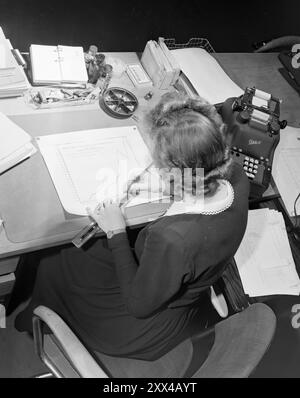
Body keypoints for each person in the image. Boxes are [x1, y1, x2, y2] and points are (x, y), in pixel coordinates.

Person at [15, 92, 249, 361]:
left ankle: (31, 323)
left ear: (177, 171)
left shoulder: (173, 239)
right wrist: (167, 186)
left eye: (158, 162)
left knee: (54, 260)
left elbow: (138, 304)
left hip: (139, 323)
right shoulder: (235, 176)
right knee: (79, 253)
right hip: (171, 277)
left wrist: (116, 231)